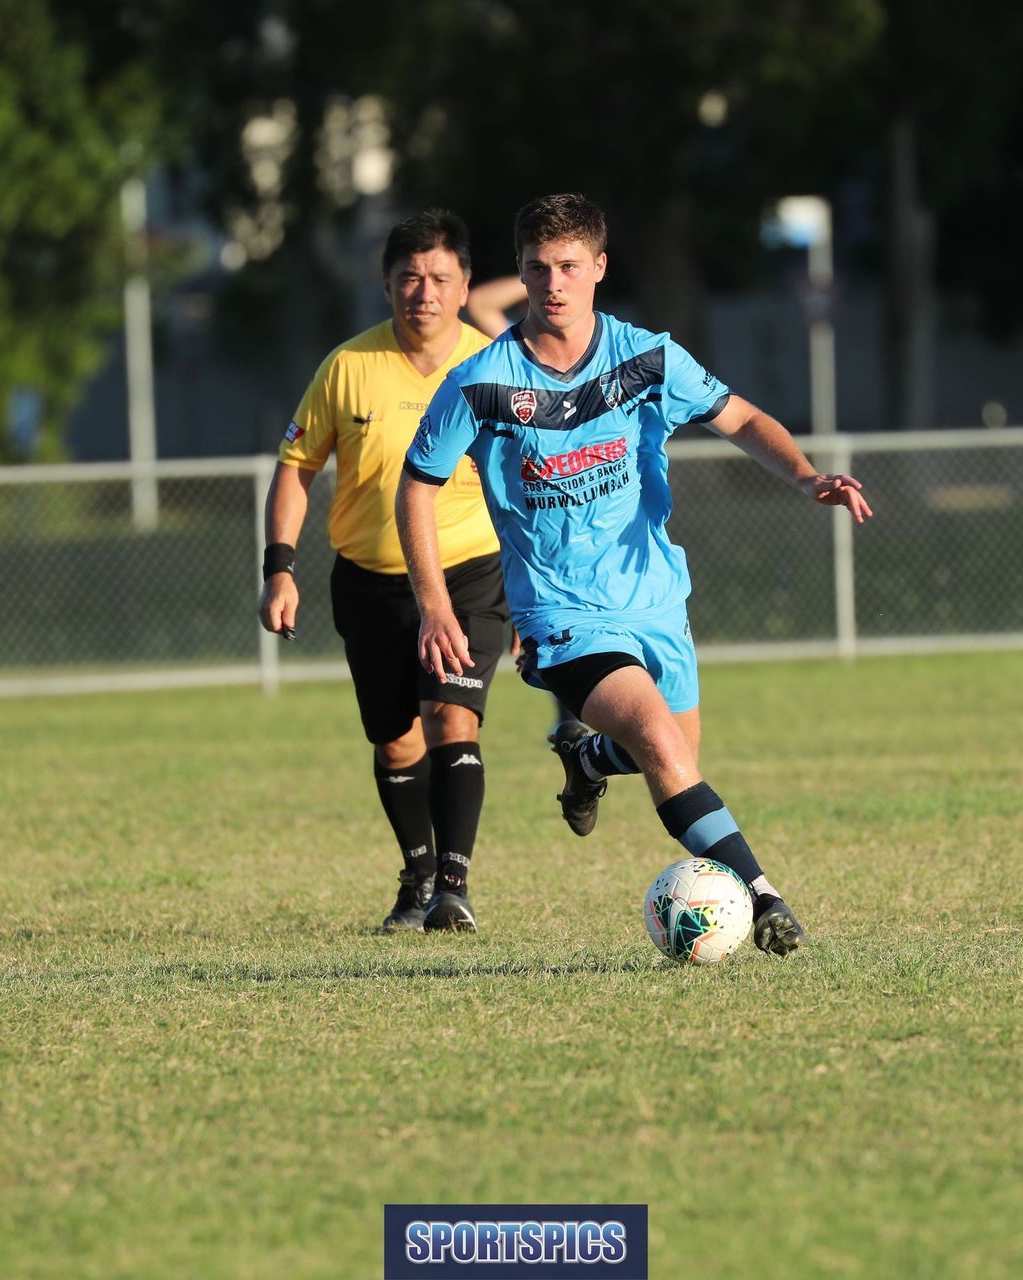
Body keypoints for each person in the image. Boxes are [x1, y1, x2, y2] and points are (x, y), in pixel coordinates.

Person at [397, 192, 874, 957]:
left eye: (568, 268)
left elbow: (743, 418)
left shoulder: (647, 357)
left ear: (599, 269)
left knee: (676, 756)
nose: (552, 284)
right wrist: (434, 604)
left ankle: (586, 758)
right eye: (535, 269)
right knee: (658, 738)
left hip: (656, 600)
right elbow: (416, 483)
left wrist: (804, 475)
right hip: (559, 615)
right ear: (519, 274)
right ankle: (765, 897)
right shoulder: (481, 382)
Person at [257, 208, 514, 934]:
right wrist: (281, 568)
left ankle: (454, 889)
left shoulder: (495, 367)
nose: (423, 292)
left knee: (451, 717)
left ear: (465, 286)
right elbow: (297, 467)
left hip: (468, 569)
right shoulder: (347, 367)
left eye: (439, 278)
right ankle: (418, 872)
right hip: (370, 582)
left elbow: (530, 476)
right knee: (396, 738)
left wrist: (532, 588)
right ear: (387, 285)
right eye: (409, 277)